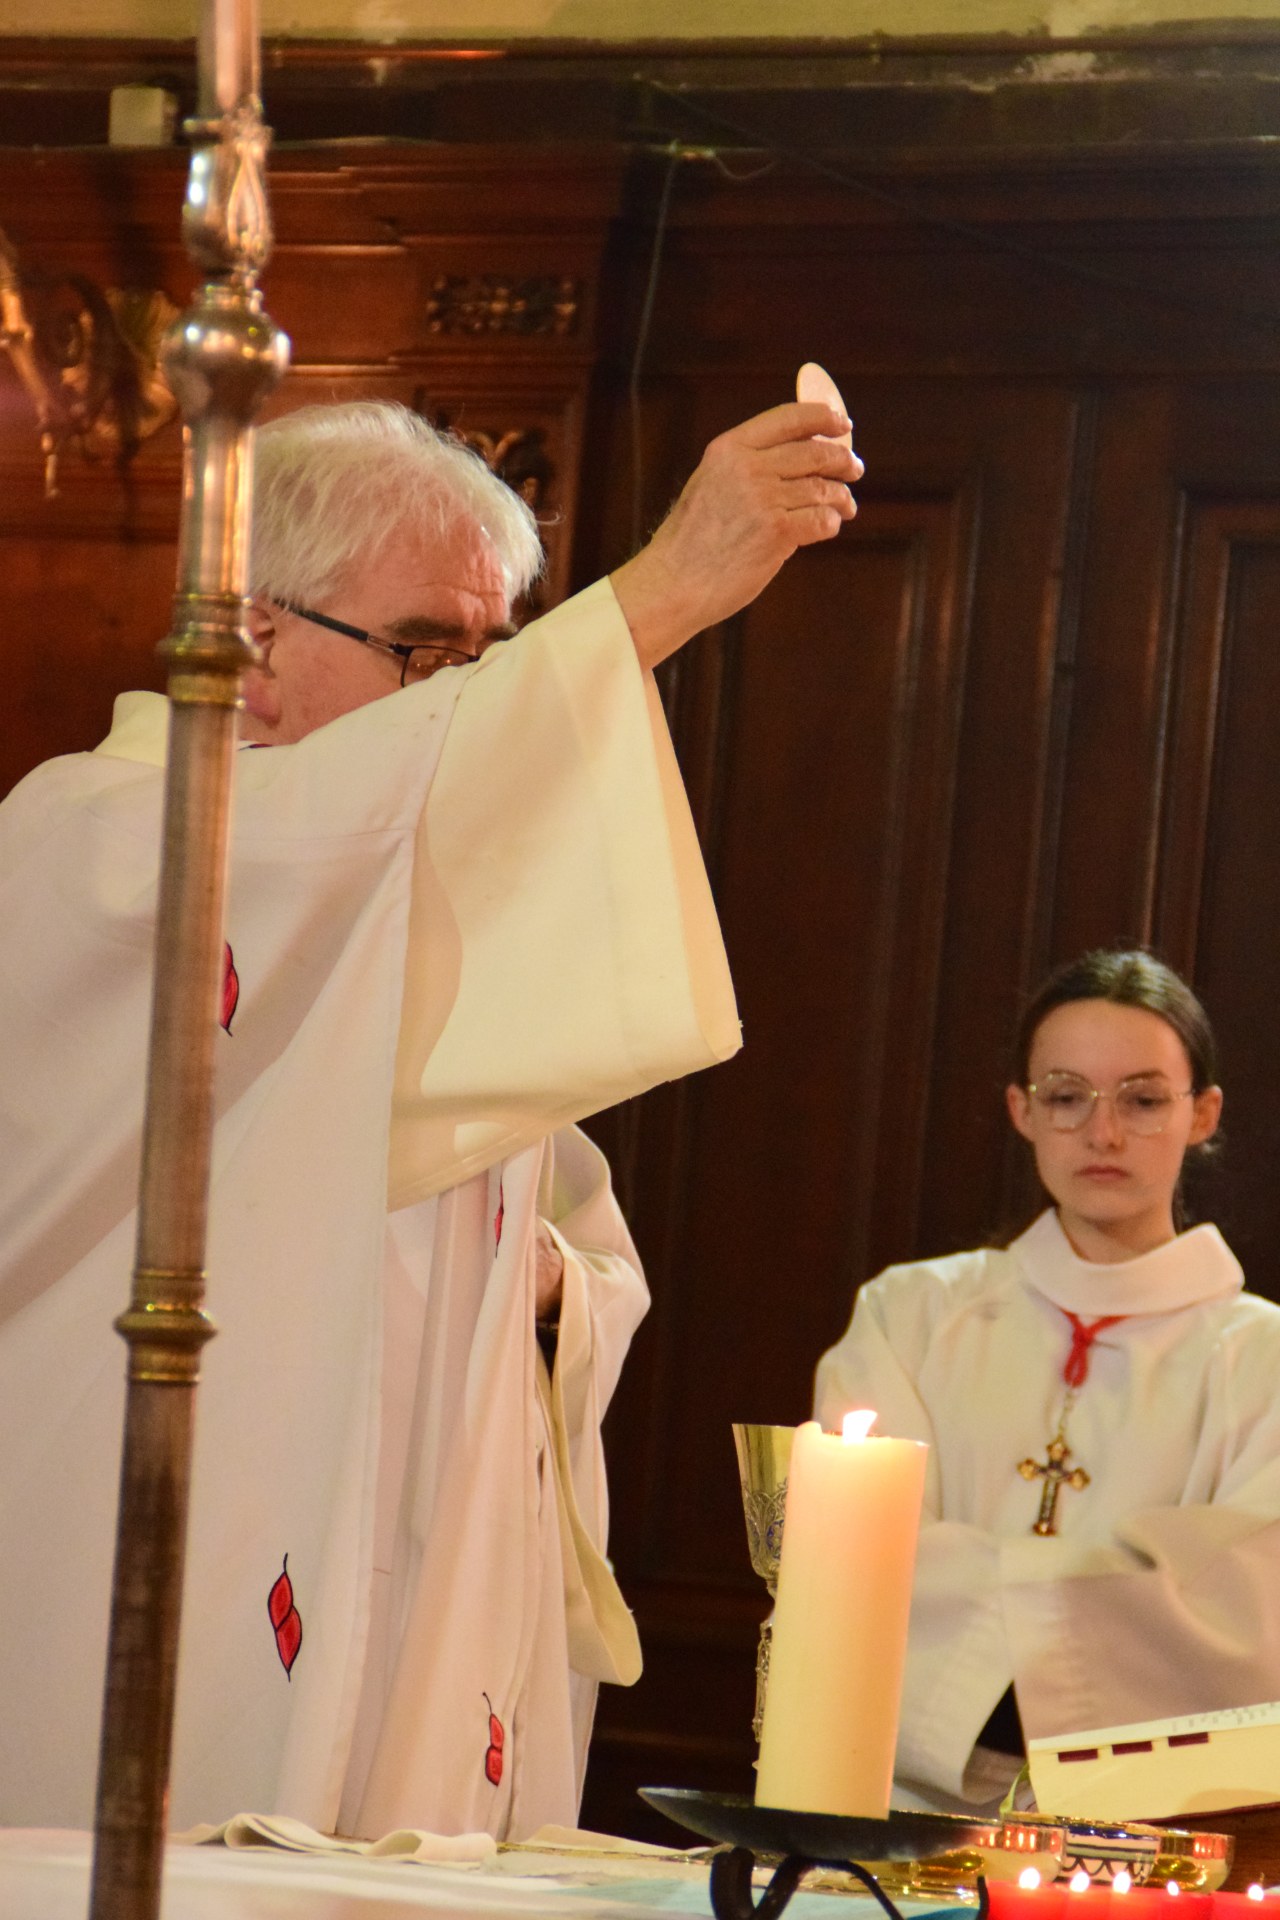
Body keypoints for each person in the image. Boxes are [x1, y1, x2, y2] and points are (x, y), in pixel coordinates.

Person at [0, 394, 861, 1840]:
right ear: (251, 633)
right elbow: (273, 862)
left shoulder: (408, 915)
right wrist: (659, 596)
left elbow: (579, 1248)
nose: (463, 698)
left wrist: (548, 1298)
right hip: (147, 1593)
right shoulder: (90, 845)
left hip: (416, 1607)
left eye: (486, 657)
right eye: (426, 652)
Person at [814, 949, 1280, 1815]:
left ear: (1202, 1113)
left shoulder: (1263, 1360)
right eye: (1067, 1096)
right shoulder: (911, 1316)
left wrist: (981, 1581)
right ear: (1022, 1111)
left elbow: (1248, 1616)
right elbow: (854, 1565)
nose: (1103, 1134)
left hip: (1148, 1821)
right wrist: (1116, 1585)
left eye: (1142, 1100)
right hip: (909, 1800)